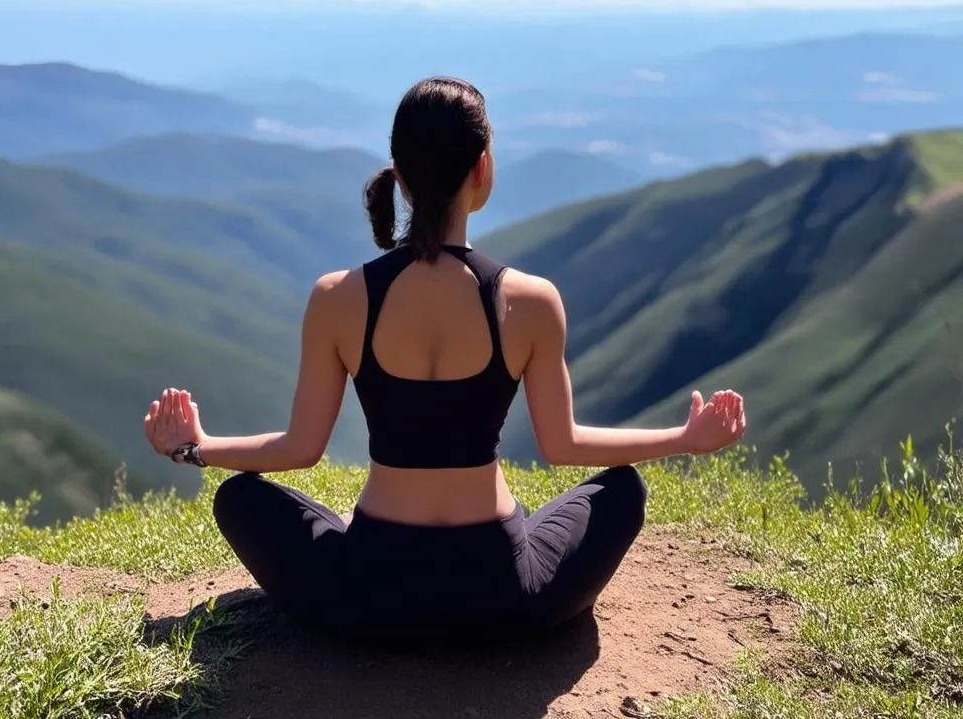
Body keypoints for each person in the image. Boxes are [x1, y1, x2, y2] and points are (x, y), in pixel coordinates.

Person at [143, 76, 746, 643]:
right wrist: (686, 438)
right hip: (510, 599)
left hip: (366, 598)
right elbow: (563, 446)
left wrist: (194, 445)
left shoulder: (337, 298)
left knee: (239, 498)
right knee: (623, 490)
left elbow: (300, 450)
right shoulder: (531, 301)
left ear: (400, 177)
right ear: (482, 169)